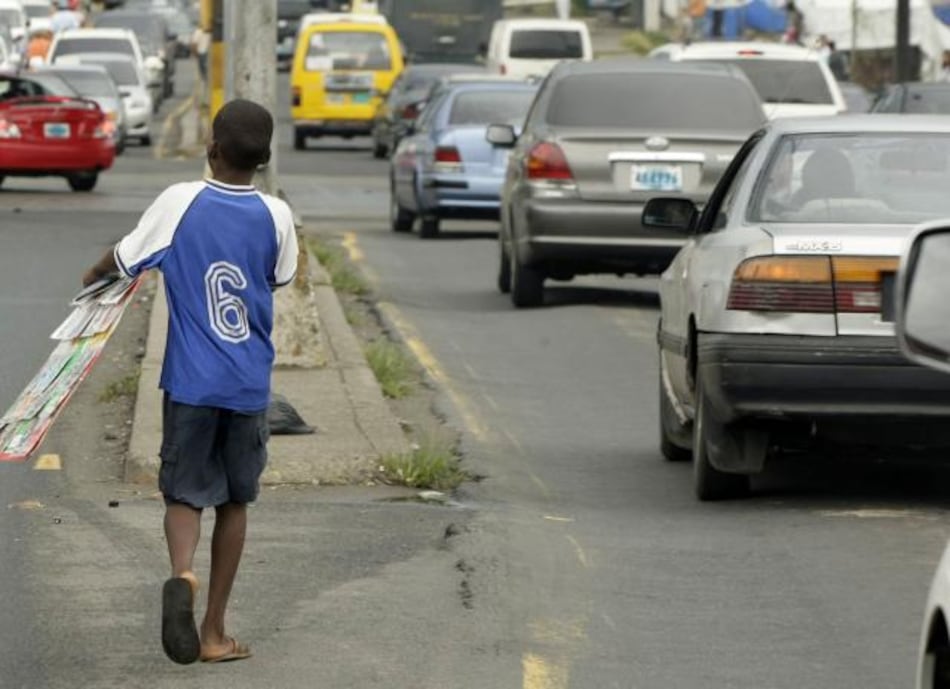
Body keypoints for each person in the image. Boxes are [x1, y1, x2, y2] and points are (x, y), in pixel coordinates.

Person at [81, 99, 299, 665]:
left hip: (191, 384)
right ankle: (214, 632)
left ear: (212, 148)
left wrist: (93, 274)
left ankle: (182, 573)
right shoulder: (276, 215)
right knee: (235, 502)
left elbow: (126, 258)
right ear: (265, 159)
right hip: (248, 386)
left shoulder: (180, 201)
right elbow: (279, 277)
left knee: (184, 495)